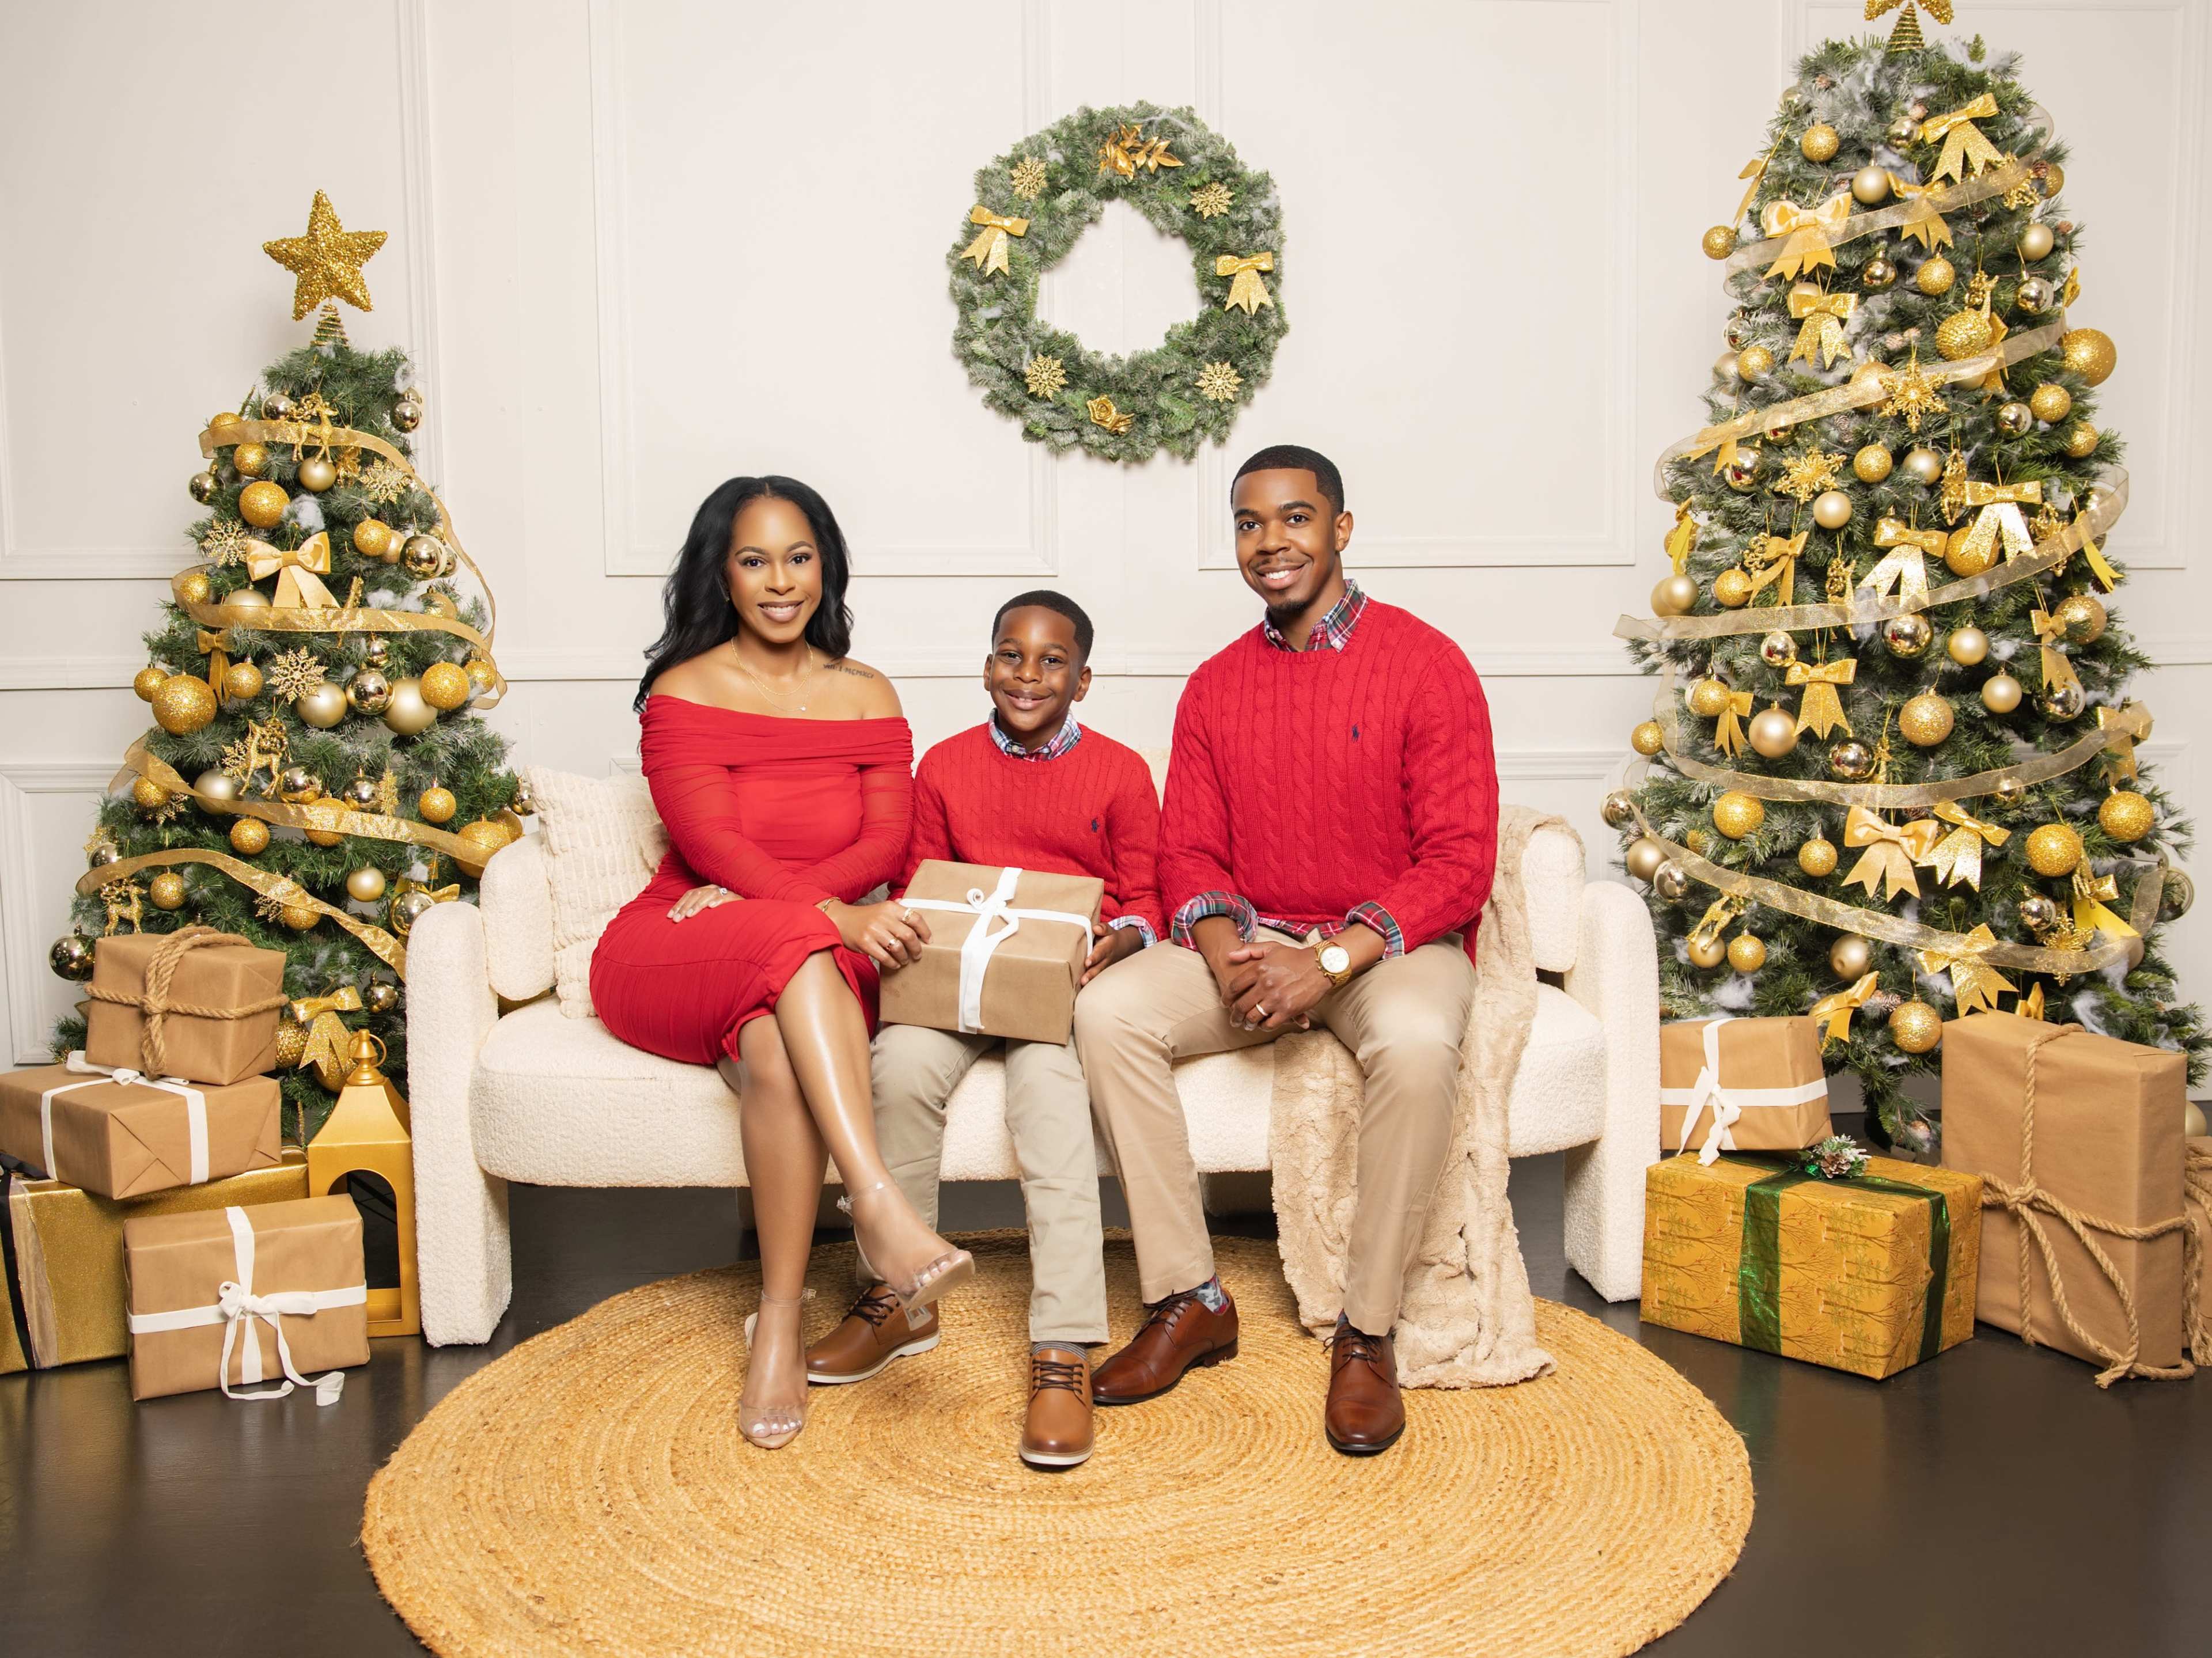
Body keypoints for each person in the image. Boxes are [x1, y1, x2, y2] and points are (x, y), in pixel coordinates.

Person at [1073, 444, 1498, 1456]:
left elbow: (1459, 861)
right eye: (1250, 524)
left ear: (1341, 530)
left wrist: (1334, 961)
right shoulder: (1217, 686)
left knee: (1419, 1046)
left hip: (1387, 946)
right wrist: (1226, 958)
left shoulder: (1426, 662)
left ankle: (1367, 1332)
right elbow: (1191, 849)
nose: (1272, 543)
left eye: (1296, 519)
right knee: (1108, 1012)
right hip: (1258, 939)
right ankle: (1189, 1299)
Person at [590, 475, 975, 1451]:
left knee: (774, 1059)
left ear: (826, 566)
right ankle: (879, 1206)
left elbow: (888, 845)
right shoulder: (684, 691)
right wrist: (832, 920)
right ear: (722, 572)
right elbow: (716, 854)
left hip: (803, 952)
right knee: (792, 943)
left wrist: (825, 918)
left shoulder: (866, 693)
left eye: (798, 557)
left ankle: (778, 1325)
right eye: (754, 559)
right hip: (686, 933)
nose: (779, 581)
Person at [806, 590, 1163, 1470]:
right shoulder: (947, 766)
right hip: (954, 981)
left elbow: (1149, 899)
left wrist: (1114, 942)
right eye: (1011, 655)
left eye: (1051, 662)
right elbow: (920, 881)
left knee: (1049, 1103)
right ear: (987, 664)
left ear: (1083, 681)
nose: (1028, 676)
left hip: (1054, 988)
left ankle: (1064, 1345)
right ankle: (900, 1299)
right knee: (895, 1067)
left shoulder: (1120, 772)